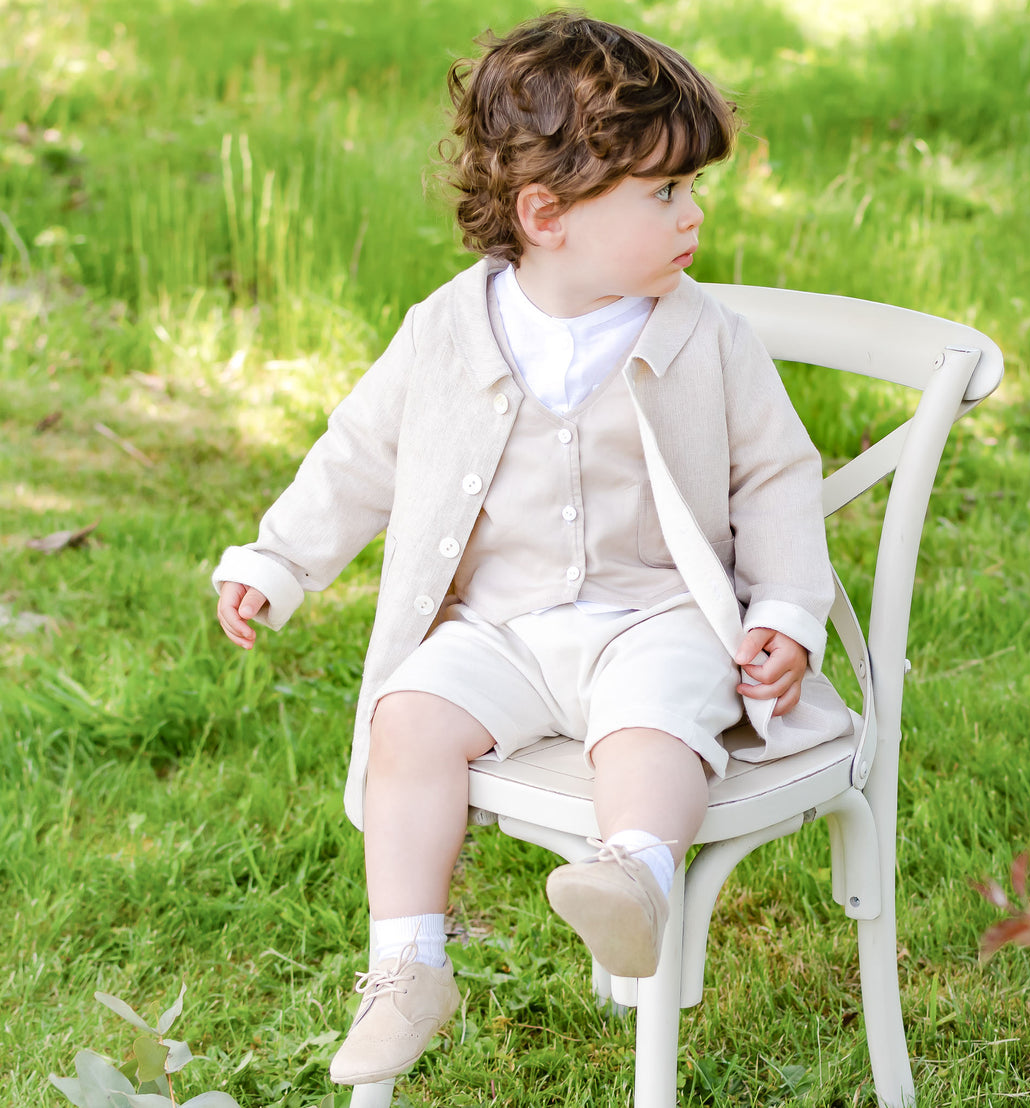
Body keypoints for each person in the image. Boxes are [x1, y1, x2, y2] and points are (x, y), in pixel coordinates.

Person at [213, 10, 849, 1088]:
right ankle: (409, 964)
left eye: (693, 190)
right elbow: (359, 454)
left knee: (652, 723)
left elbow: (775, 480)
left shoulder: (706, 337)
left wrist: (784, 611)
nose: (692, 217)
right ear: (545, 213)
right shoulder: (447, 331)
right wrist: (277, 560)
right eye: (662, 193)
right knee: (407, 718)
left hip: (655, 616)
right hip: (498, 627)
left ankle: (636, 874)